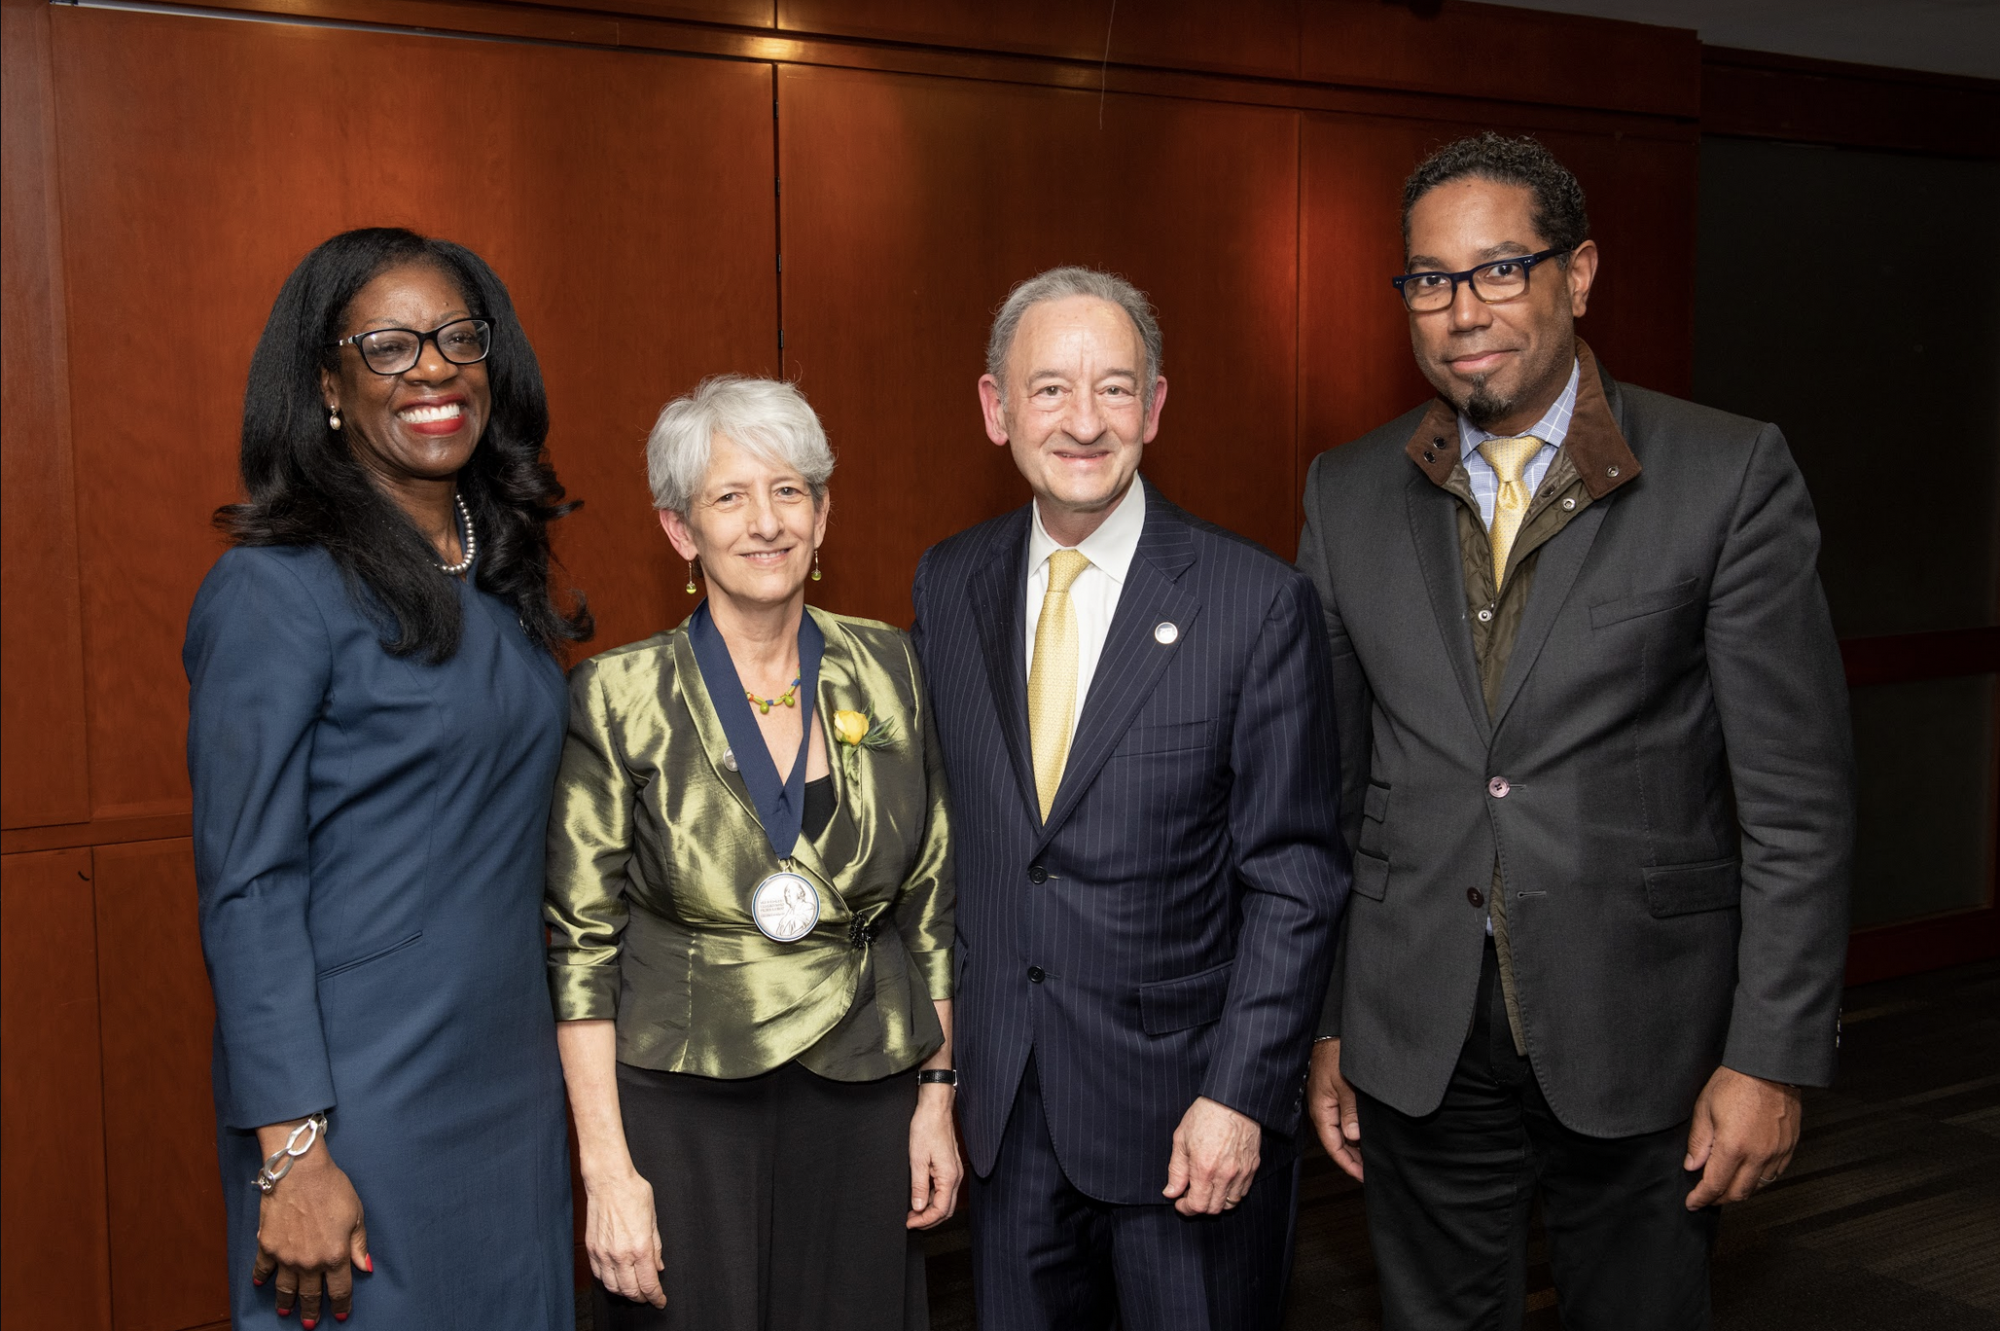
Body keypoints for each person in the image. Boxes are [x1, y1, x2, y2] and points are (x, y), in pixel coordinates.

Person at [1298, 133, 1853, 1329]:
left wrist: (1769, 1053)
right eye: (1430, 280)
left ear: (1578, 273)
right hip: (1418, 1031)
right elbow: (1336, 792)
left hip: (1644, 1027)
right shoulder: (1342, 494)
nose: (1461, 311)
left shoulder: (1724, 472)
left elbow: (1795, 803)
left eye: (1500, 269)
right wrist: (1336, 1015)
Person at [911, 268, 1349, 1330]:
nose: (1081, 420)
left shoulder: (1254, 603)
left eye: (1114, 389)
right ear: (994, 407)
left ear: (1153, 409)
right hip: (1005, 1116)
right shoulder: (944, 582)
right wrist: (934, 1081)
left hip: (1183, 1121)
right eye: (1049, 388)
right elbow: (937, 855)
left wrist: (1240, 1093)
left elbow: (1294, 878)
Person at [185, 227, 593, 1329]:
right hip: (362, 1100)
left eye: (459, 337)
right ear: (325, 383)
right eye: (388, 345)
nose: (433, 367)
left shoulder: (500, 568)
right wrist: (292, 1149)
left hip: (509, 1079)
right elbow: (248, 883)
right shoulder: (273, 591)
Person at [544, 375, 958, 1331]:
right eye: (730, 496)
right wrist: (606, 1168)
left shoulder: (892, 664)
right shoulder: (619, 693)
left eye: (790, 490)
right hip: (686, 1103)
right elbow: (580, 946)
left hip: (866, 1086)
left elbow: (930, 900)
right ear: (681, 531)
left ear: (821, 514)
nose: (765, 521)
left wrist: (937, 1092)